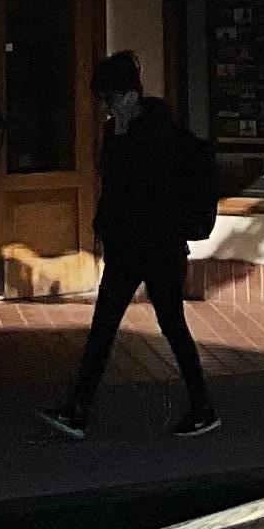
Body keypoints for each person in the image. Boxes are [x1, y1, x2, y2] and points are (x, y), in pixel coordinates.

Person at [46, 51, 220, 442]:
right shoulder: (119, 133)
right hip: (129, 247)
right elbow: (113, 182)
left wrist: (123, 141)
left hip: (158, 247)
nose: (105, 109)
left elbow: (139, 185)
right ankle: (78, 407)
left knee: (171, 326)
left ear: (128, 96)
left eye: (109, 99)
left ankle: (203, 407)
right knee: (104, 327)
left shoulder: (157, 132)